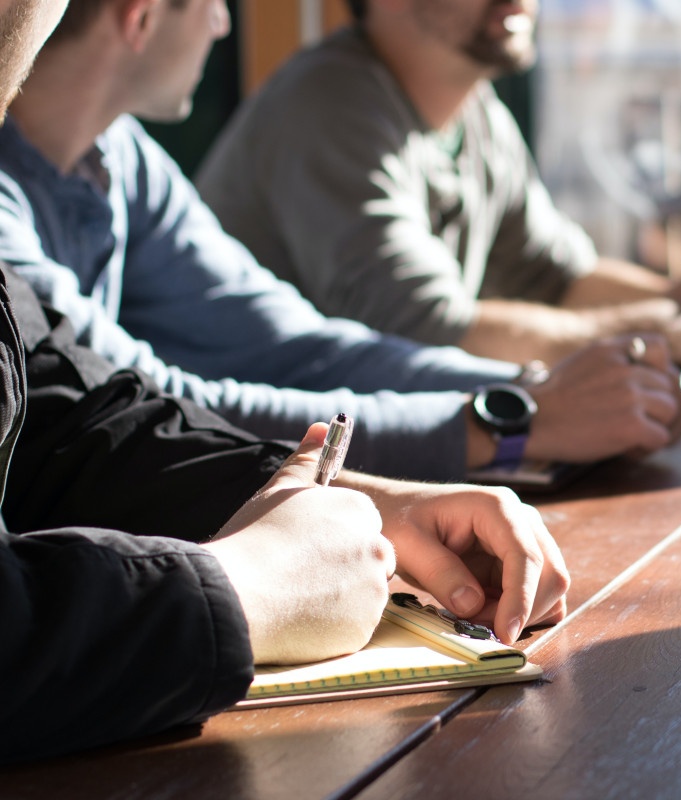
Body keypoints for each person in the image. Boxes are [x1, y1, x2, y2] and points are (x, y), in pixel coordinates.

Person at [0, 1, 573, 763]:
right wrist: (245, 586)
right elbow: (404, 314)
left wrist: (348, 497)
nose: (223, 24)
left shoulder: (121, 157)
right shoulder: (331, 101)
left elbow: (73, 417)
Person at [0, 0, 681, 485]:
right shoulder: (10, 206)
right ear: (141, 14)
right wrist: (506, 422)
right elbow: (153, 407)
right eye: (213, 0)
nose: (223, 23)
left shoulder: (120, 155)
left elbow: (291, 342)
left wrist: (521, 388)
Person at [195, 0, 681, 370]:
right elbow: (426, 331)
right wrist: (660, 330)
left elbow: (557, 276)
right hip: (265, 469)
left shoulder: (476, 109)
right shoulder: (328, 104)